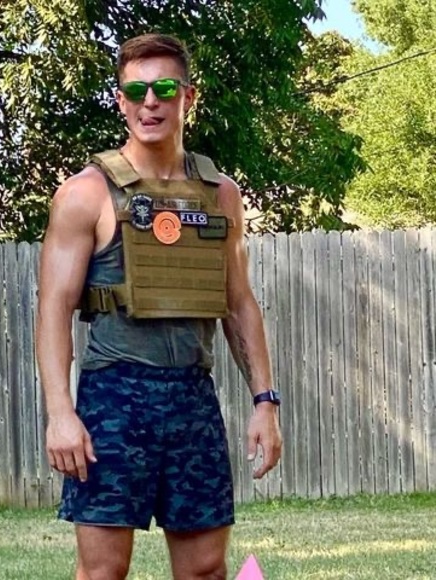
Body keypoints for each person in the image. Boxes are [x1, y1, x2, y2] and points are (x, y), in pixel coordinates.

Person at [35, 33, 282, 580]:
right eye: (137, 91)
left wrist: (265, 402)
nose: (150, 102)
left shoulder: (220, 194)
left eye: (165, 89)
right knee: (103, 571)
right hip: (113, 398)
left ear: (187, 97)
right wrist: (60, 414)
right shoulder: (85, 193)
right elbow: (52, 308)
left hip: (192, 396)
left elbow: (239, 303)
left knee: (206, 569)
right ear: (120, 101)